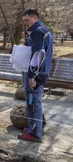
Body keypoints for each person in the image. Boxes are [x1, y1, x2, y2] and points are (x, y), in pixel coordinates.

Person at [18, 9, 53, 143]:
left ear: (35, 18)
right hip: (40, 72)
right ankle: (32, 128)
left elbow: (38, 55)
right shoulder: (41, 30)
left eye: (27, 20)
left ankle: (35, 133)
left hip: (37, 74)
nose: (25, 23)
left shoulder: (39, 32)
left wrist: (31, 76)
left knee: (34, 102)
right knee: (31, 101)